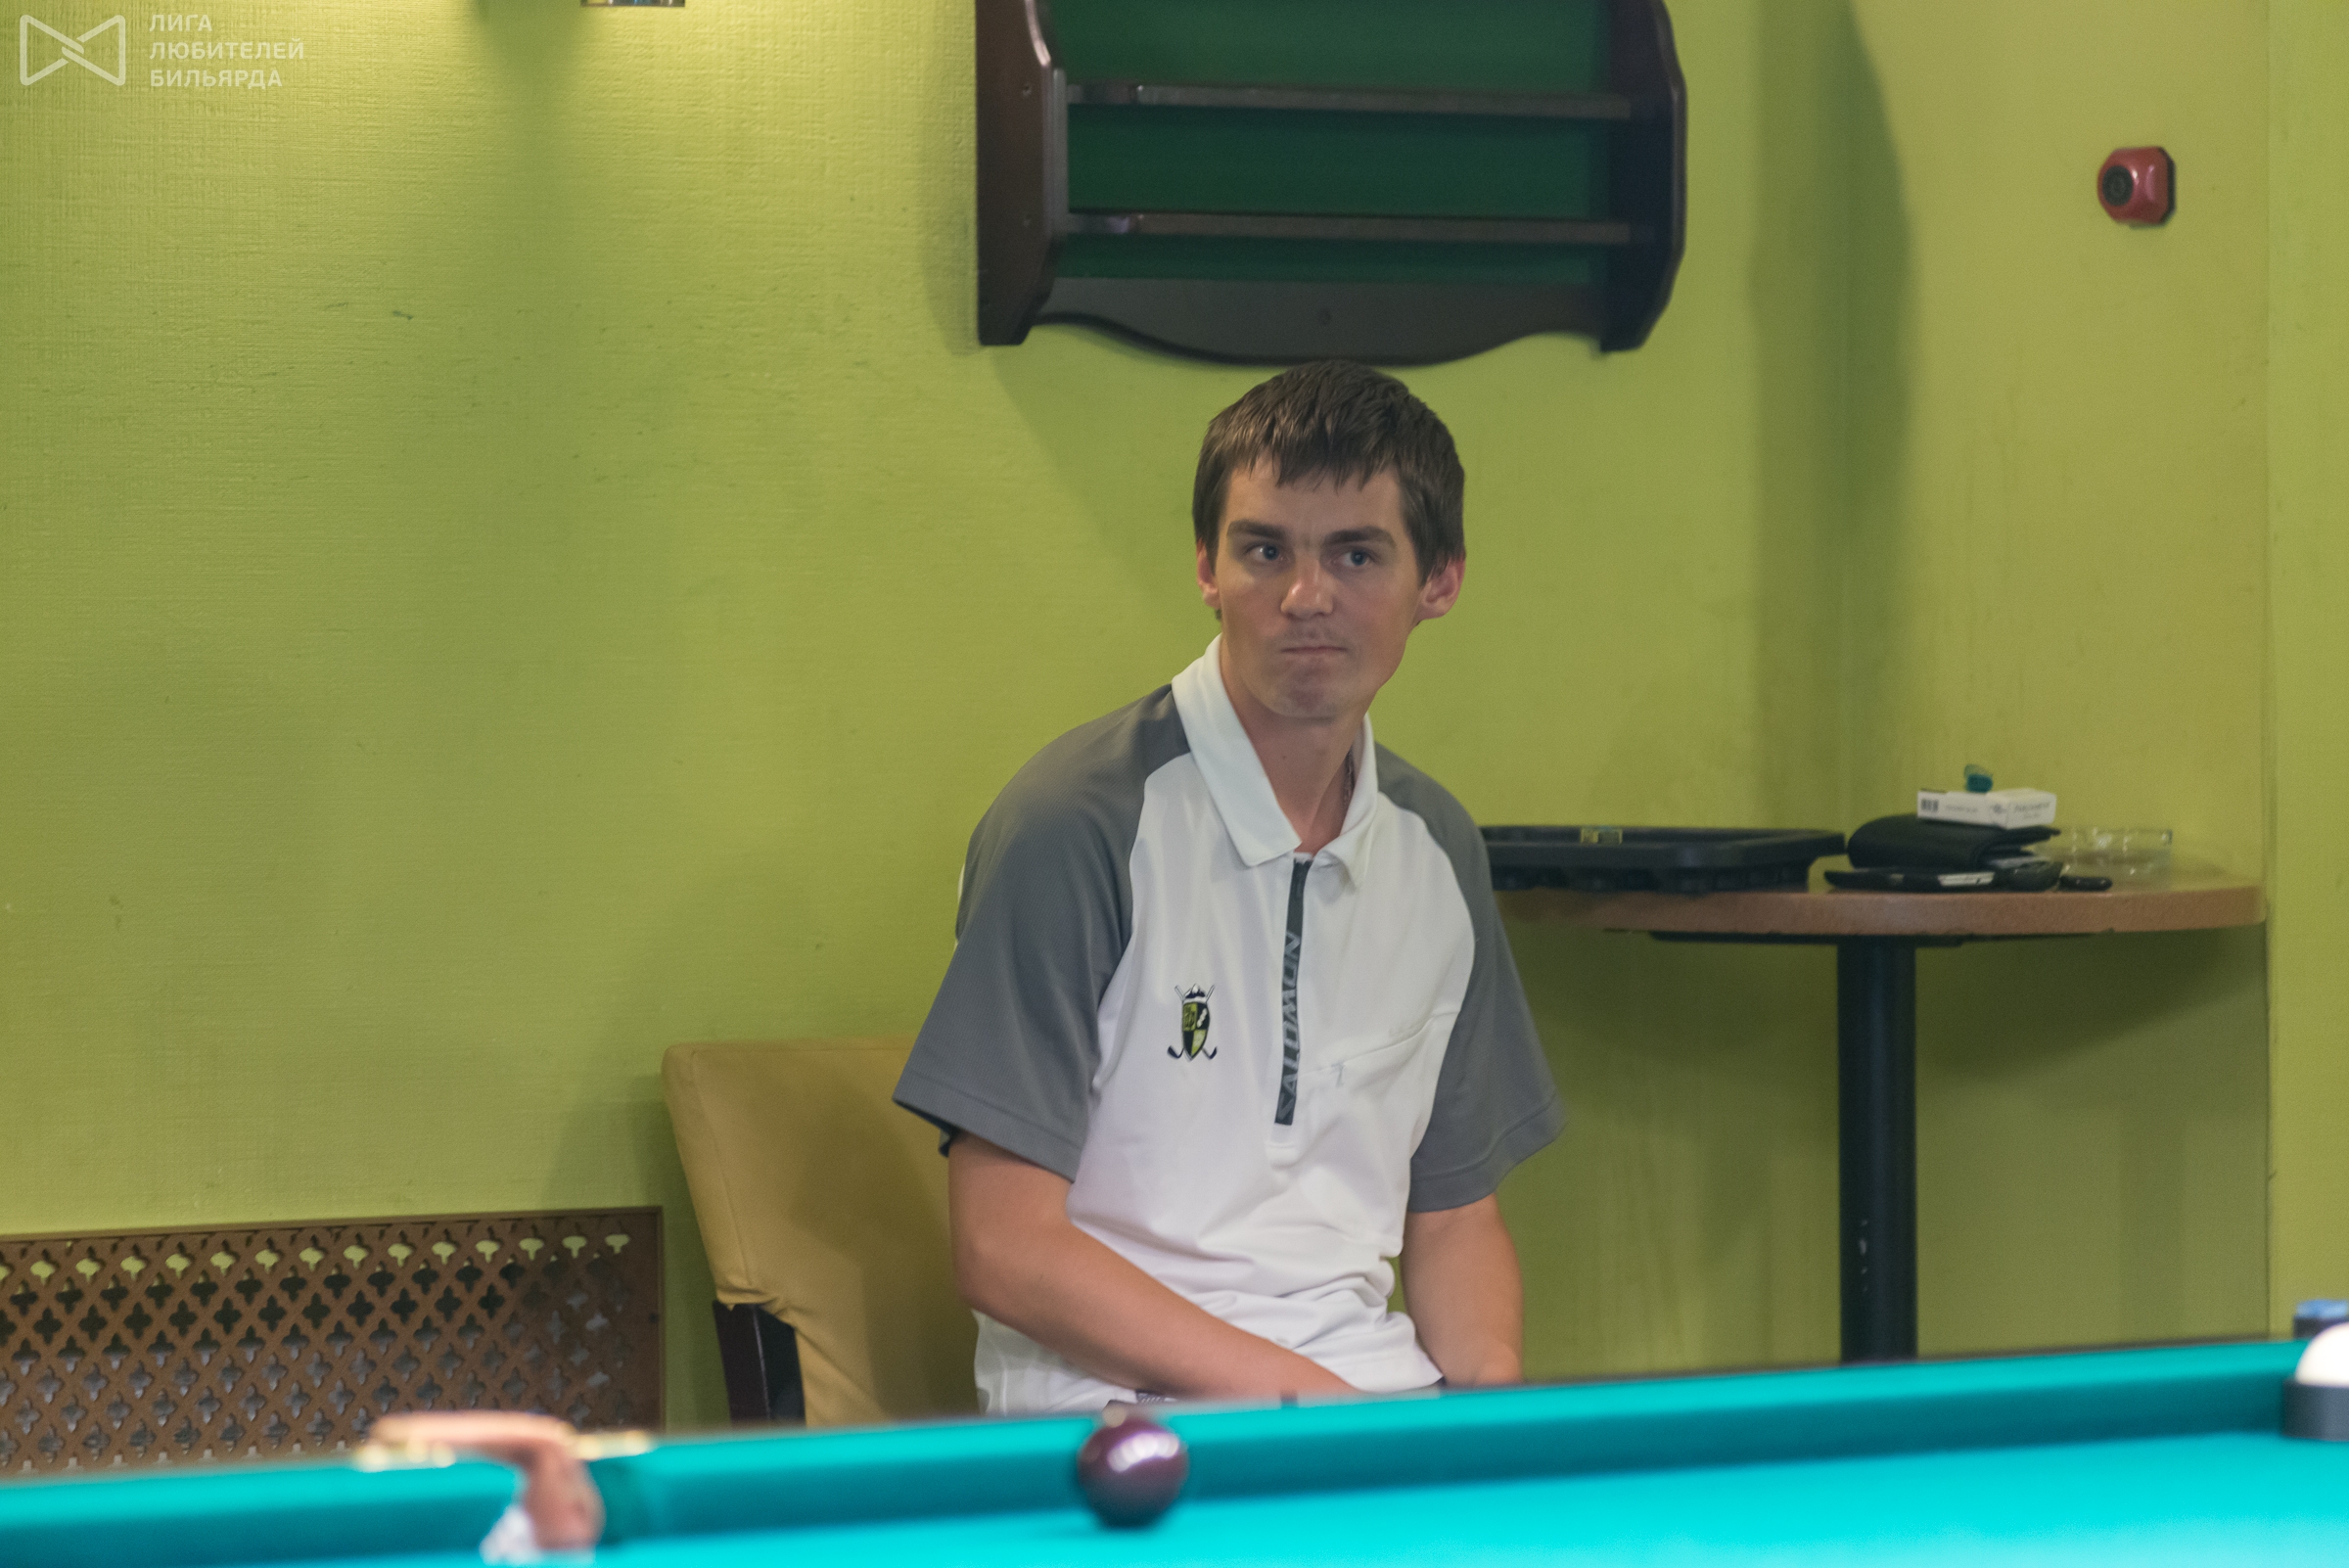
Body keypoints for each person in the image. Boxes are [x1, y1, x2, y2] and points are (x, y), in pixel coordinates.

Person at [893, 360, 1563, 1414]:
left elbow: (1454, 1220)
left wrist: (1493, 1417)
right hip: (1113, 1419)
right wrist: (1313, 1407)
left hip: (1368, 1407)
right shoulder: (1075, 824)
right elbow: (1004, 1248)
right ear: (1207, 567)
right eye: (1265, 551)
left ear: (1439, 581)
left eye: (1356, 554)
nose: (1306, 597)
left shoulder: (1438, 847)